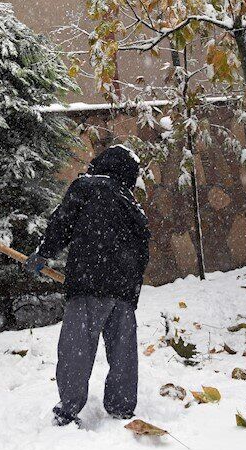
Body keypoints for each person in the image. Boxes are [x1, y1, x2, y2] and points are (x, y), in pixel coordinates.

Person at [23, 144, 150, 428]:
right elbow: (143, 249)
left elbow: (62, 222)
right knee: (123, 352)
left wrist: (44, 253)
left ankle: (68, 409)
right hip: (124, 291)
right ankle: (121, 406)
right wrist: (130, 289)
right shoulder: (132, 205)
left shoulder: (86, 187)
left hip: (90, 284)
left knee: (77, 348)